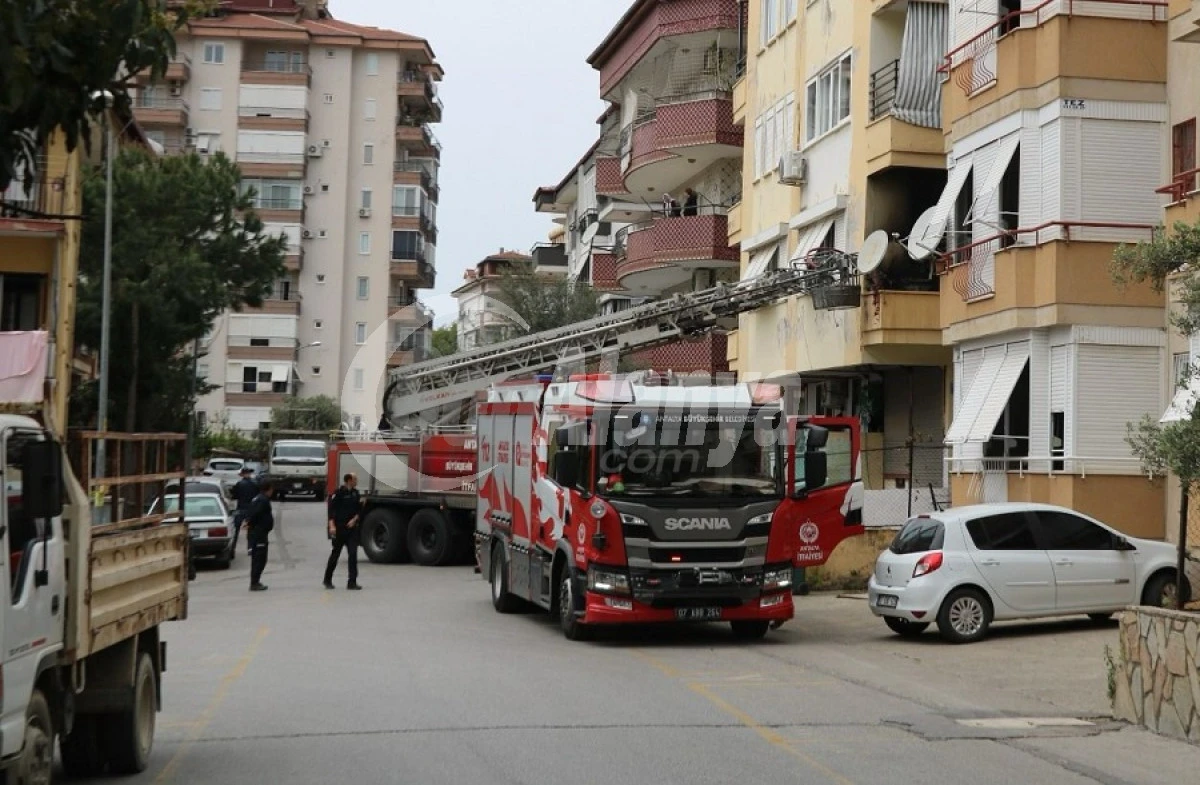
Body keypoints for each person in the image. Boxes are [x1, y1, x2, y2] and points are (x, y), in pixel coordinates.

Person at [324, 473, 363, 590]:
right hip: (339, 528)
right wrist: (331, 526)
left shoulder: (355, 493)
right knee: (335, 554)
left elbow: (359, 510)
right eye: (355, 479)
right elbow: (331, 510)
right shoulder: (338, 493)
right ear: (349, 480)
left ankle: (352, 581)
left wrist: (354, 519)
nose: (356, 481)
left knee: (353, 554)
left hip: (351, 529)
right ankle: (327, 579)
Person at [245, 480, 275, 591]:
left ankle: (255, 581)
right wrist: (252, 524)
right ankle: (254, 582)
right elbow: (254, 514)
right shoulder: (262, 500)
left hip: (259, 533)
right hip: (258, 534)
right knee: (259, 558)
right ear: (269, 489)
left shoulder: (258, 498)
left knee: (259, 558)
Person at [231, 466, 259, 549]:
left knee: (236, 529)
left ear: (242, 474)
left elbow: (234, 496)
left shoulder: (239, 484)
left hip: (240, 508)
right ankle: (250, 547)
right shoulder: (255, 483)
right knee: (251, 529)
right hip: (251, 509)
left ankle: (233, 547)